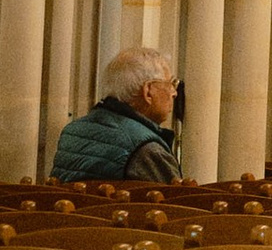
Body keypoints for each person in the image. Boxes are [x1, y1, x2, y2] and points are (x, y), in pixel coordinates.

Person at [51, 44, 184, 184]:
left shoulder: (72, 131)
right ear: (148, 91)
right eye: (170, 84)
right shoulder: (147, 151)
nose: (174, 93)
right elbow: (175, 202)